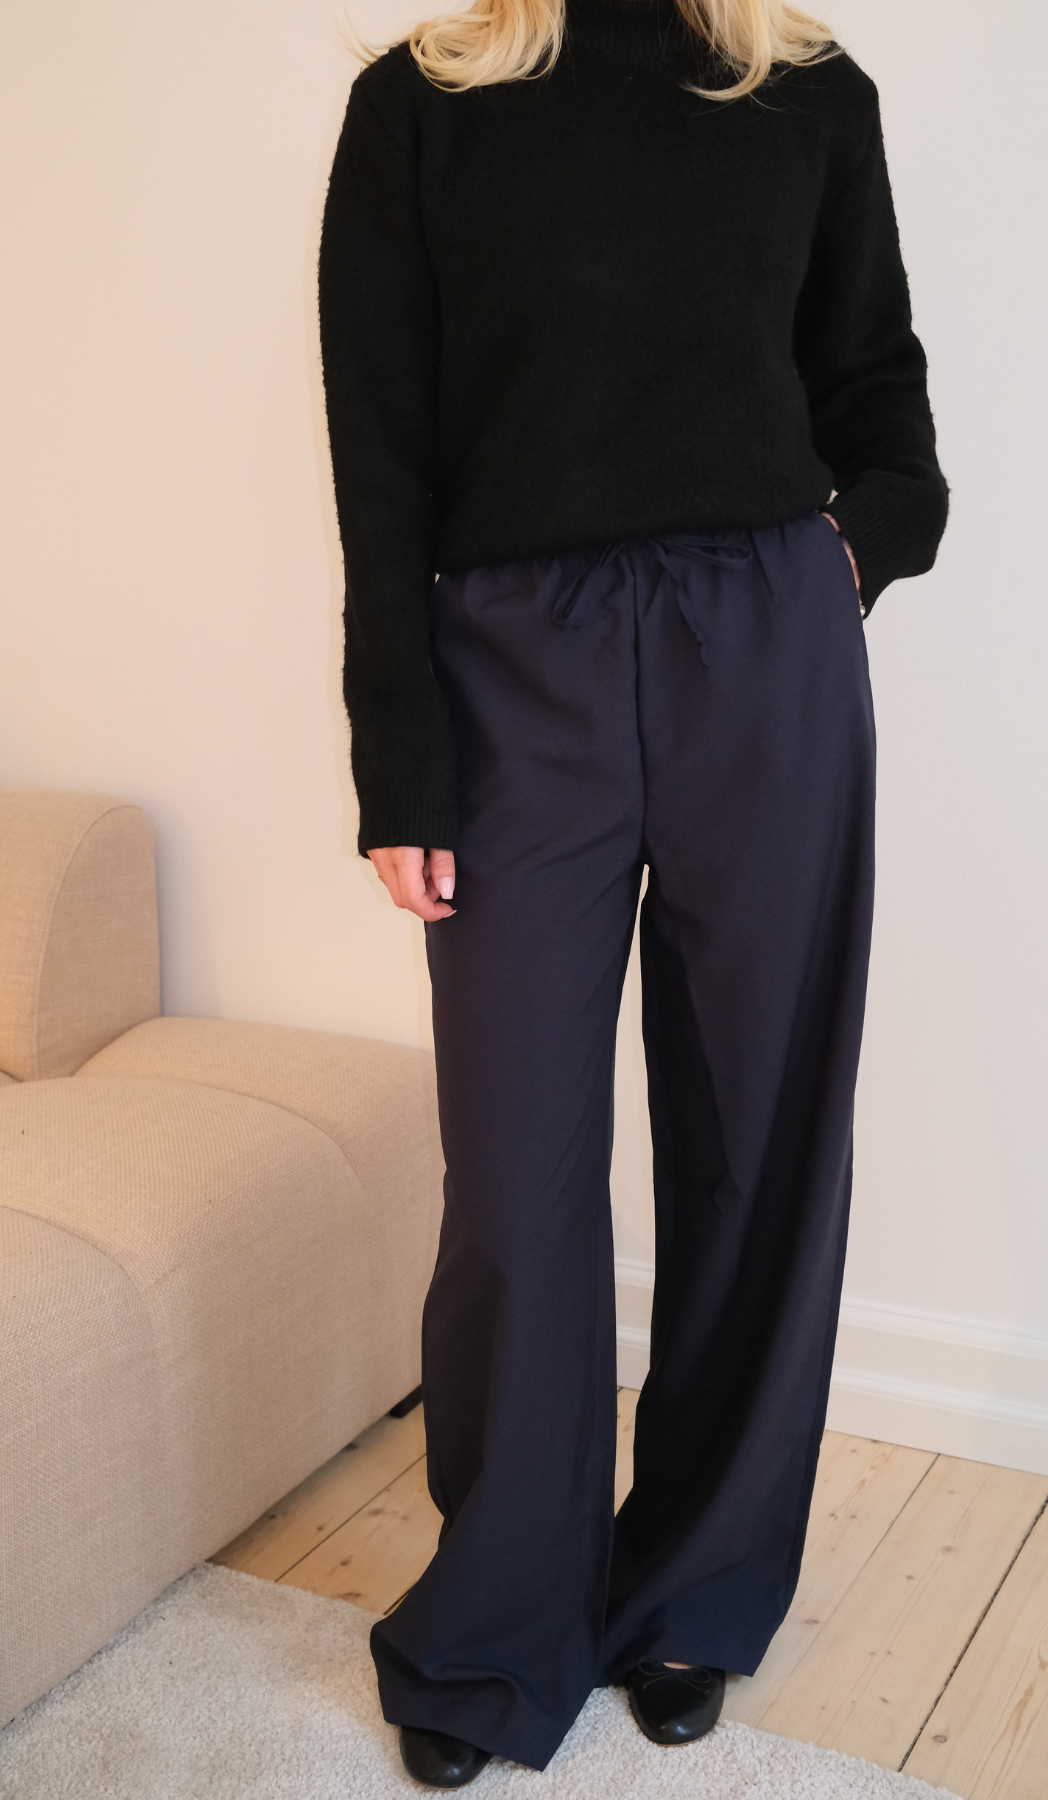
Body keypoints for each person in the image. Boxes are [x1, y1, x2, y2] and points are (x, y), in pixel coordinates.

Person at [318, 0, 948, 1782]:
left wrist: (860, 544)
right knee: (515, 1166)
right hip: (516, 662)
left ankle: (692, 1592)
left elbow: (874, 376)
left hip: (765, 645)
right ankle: (498, 1620)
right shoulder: (421, 106)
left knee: (760, 1136)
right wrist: (400, 752)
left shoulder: (804, 92)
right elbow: (381, 446)